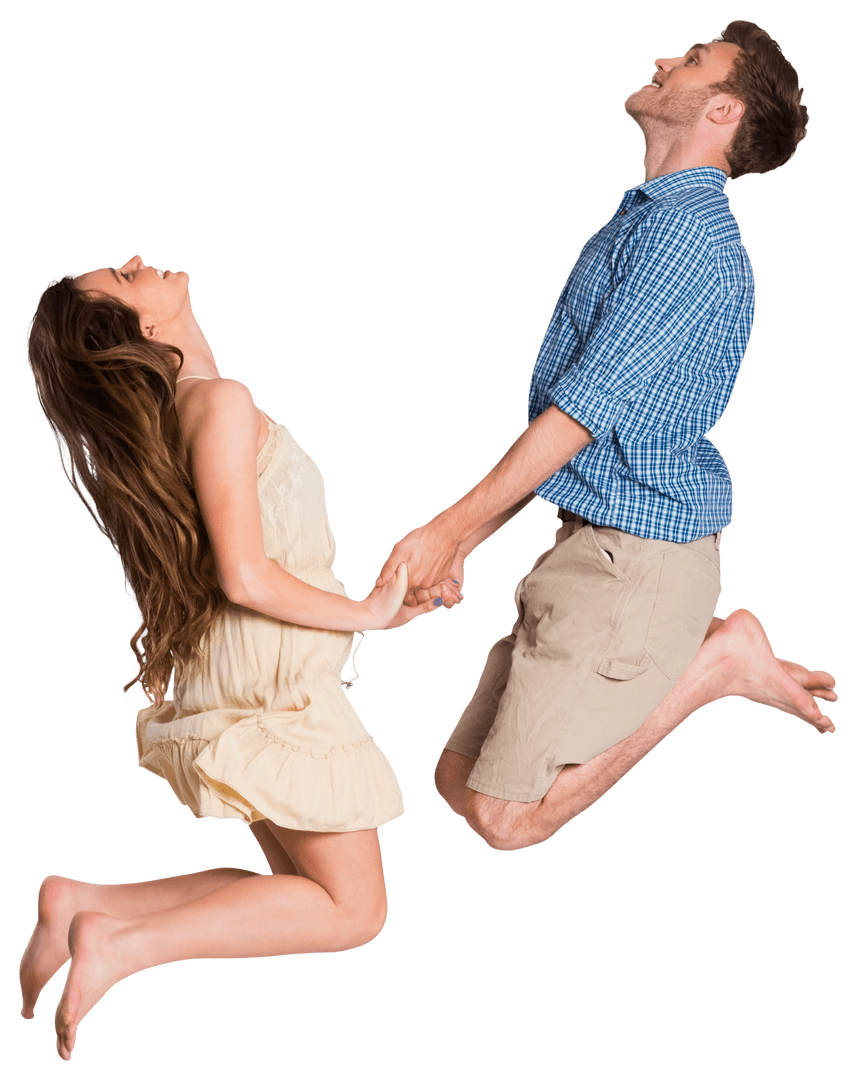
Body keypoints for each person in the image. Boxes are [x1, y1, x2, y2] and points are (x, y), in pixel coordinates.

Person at [376, 20, 838, 852]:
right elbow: (576, 431)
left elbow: (579, 414)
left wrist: (445, 529)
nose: (663, 60)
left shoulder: (683, 238)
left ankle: (716, 666)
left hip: (634, 565)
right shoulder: (644, 222)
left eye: (691, 61)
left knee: (505, 820)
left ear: (722, 111)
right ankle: (718, 653)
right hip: (588, 549)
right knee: (457, 780)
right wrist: (467, 544)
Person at [19, 256, 462, 1060]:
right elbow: (246, 575)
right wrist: (364, 612)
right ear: (139, 329)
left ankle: (82, 903)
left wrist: (374, 617)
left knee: (303, 893)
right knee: (351, 912)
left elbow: (252, 562)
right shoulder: (216, 405)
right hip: (271, 682)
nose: (136, 262)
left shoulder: (197, 403)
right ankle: (120, 945)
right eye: (122, 278)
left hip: (251, 669)